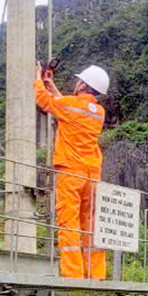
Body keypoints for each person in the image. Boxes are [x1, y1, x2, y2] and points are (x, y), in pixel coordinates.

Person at [34, 61, 109, 280]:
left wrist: (38, 79)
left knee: (69, 223)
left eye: (79, 81)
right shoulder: (99, 112)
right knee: (91, 224)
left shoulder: (70, 106)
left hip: (71, 172)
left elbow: (45, 101)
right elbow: (66, 105)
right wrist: (52, 84)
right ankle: (96, 273)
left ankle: (73, 274)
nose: (76, 84)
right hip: (91, 176)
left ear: (83, 86)